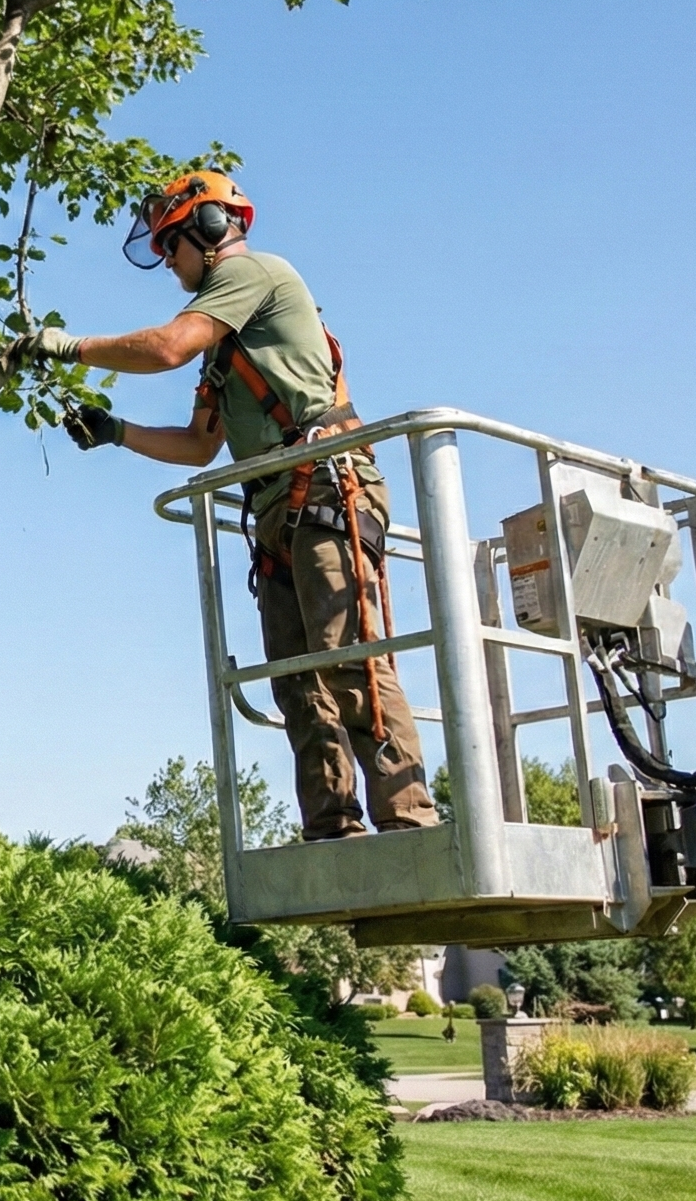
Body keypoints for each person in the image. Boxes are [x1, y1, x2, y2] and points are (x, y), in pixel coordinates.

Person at [30, 170, 437, 842]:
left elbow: (167, 346)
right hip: (277, 508)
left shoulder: (254, 275)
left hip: (326, 484)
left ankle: (408, 820)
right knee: (296, 680)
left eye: (171, 245)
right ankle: (333, 828)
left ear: (211, 228)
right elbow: (199, 446)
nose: (167, 262)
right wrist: (117, 432)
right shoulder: (223, 346)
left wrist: (71, 347)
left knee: (347, 658)